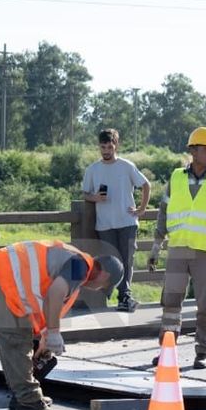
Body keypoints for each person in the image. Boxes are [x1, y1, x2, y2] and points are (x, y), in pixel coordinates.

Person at [0, 240, 123, 410]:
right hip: (0, 273)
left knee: (14, 338)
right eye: (104, 286)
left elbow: (42, 299)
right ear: (105, 275)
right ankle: (29, 402)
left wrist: (45, 334)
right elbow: (55, 293)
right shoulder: (81, 265)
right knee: (15, 338)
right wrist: (53, 332)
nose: (98, 289)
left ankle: (23, 397)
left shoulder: (74, 262)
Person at [147, 127, 206, 369]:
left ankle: (203, 350)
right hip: (178, 248)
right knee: (171, 303)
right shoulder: (176, 177)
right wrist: (156, 246)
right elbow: (163, 212)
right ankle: (167, 351)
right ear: (193, 151)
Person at [82, 128, 150, 312]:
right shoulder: (92, 169)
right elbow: (85, 193)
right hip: (105, 224)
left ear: (116, 145)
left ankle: (124, 296)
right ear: (99, 147)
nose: (106, 151)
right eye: (103, 147)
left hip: (127, 221)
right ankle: (119, 296)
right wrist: (95, 198)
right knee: (112, 262)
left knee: (126, 260)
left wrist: (142, 209)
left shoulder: (126, 166)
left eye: (109, 147)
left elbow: (146, 185)